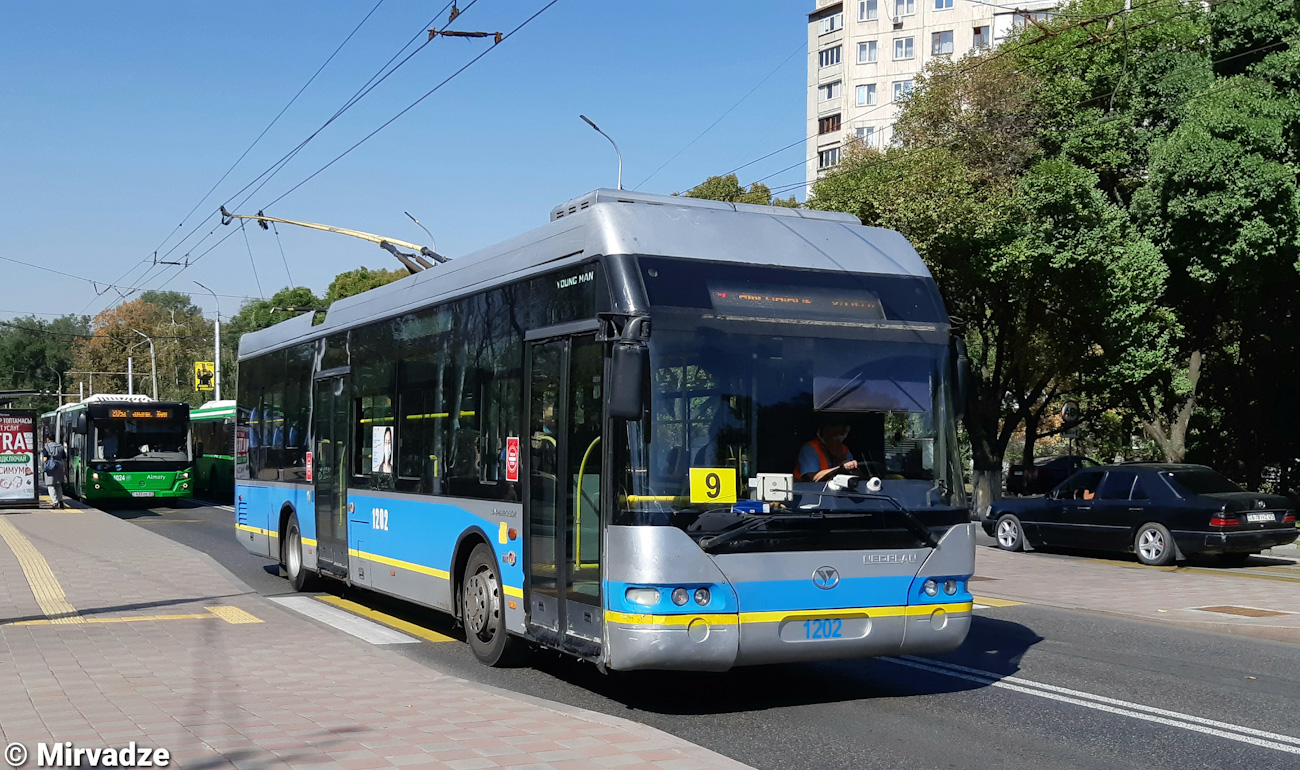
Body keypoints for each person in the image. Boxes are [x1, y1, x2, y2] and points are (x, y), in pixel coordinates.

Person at [795, 418, 861, 482]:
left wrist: (843, 459)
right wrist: (841, 468)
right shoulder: (810, 448)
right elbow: (812, 477)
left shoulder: (844, 449)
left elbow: (855, 476)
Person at [42, 433, 68, 509]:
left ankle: (55, 502)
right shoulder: (60, 447)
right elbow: (64, 459)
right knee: (58, 485)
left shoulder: (46, 447)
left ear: (48, 439)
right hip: (59, 467)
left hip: (50, 467)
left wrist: (44, 464)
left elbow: (45, 458)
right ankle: (61, 501)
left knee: (50, 485)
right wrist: (65, 469)